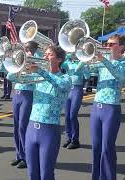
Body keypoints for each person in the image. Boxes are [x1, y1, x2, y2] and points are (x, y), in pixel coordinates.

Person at [24, 45, 71, 180]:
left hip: (49, 130)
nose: (44, 57)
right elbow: (11, 76)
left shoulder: (66, 78)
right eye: (45, 54)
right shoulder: (38, 76)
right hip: (32, 128)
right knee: (32, 172)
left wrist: (41, 71)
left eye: (49, 54)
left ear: (59, 59)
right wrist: (20, 63)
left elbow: (62, 86)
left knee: (46, 173)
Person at [86, 35, 125, 180]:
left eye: (111, 44)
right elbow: (83, 73)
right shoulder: (103, 62)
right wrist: (82, 60)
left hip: (111, 108)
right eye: (107, 44)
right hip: (97, 106)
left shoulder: (123, 62)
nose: (107, 46)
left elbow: (121, 77)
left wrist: (104, 60)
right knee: (96, 147)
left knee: (107, 148)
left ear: (121, 47)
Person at [6, 41, 43, 169]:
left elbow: (34, 79)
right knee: (16, 126)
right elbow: (9, 75)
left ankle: (28, 157)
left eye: (27, 48)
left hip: (28, 94)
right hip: (17, 94)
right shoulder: (20, 59)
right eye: (24, 48)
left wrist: (29, 65)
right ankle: (19, 155)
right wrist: (18, 65)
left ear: (32, 49)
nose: (25, 50)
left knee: (23, 126)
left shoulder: (37, 61)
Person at [61, 53, 90, 149]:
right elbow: (60, 64)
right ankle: (69, 138)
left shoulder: (82, 62)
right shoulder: (67, 63)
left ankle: (75, 140)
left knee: (73, 115)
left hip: (77, 89)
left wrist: (85, 65)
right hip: (68, 89)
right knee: (67, 116)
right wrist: (68, 56)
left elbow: (87, 76)